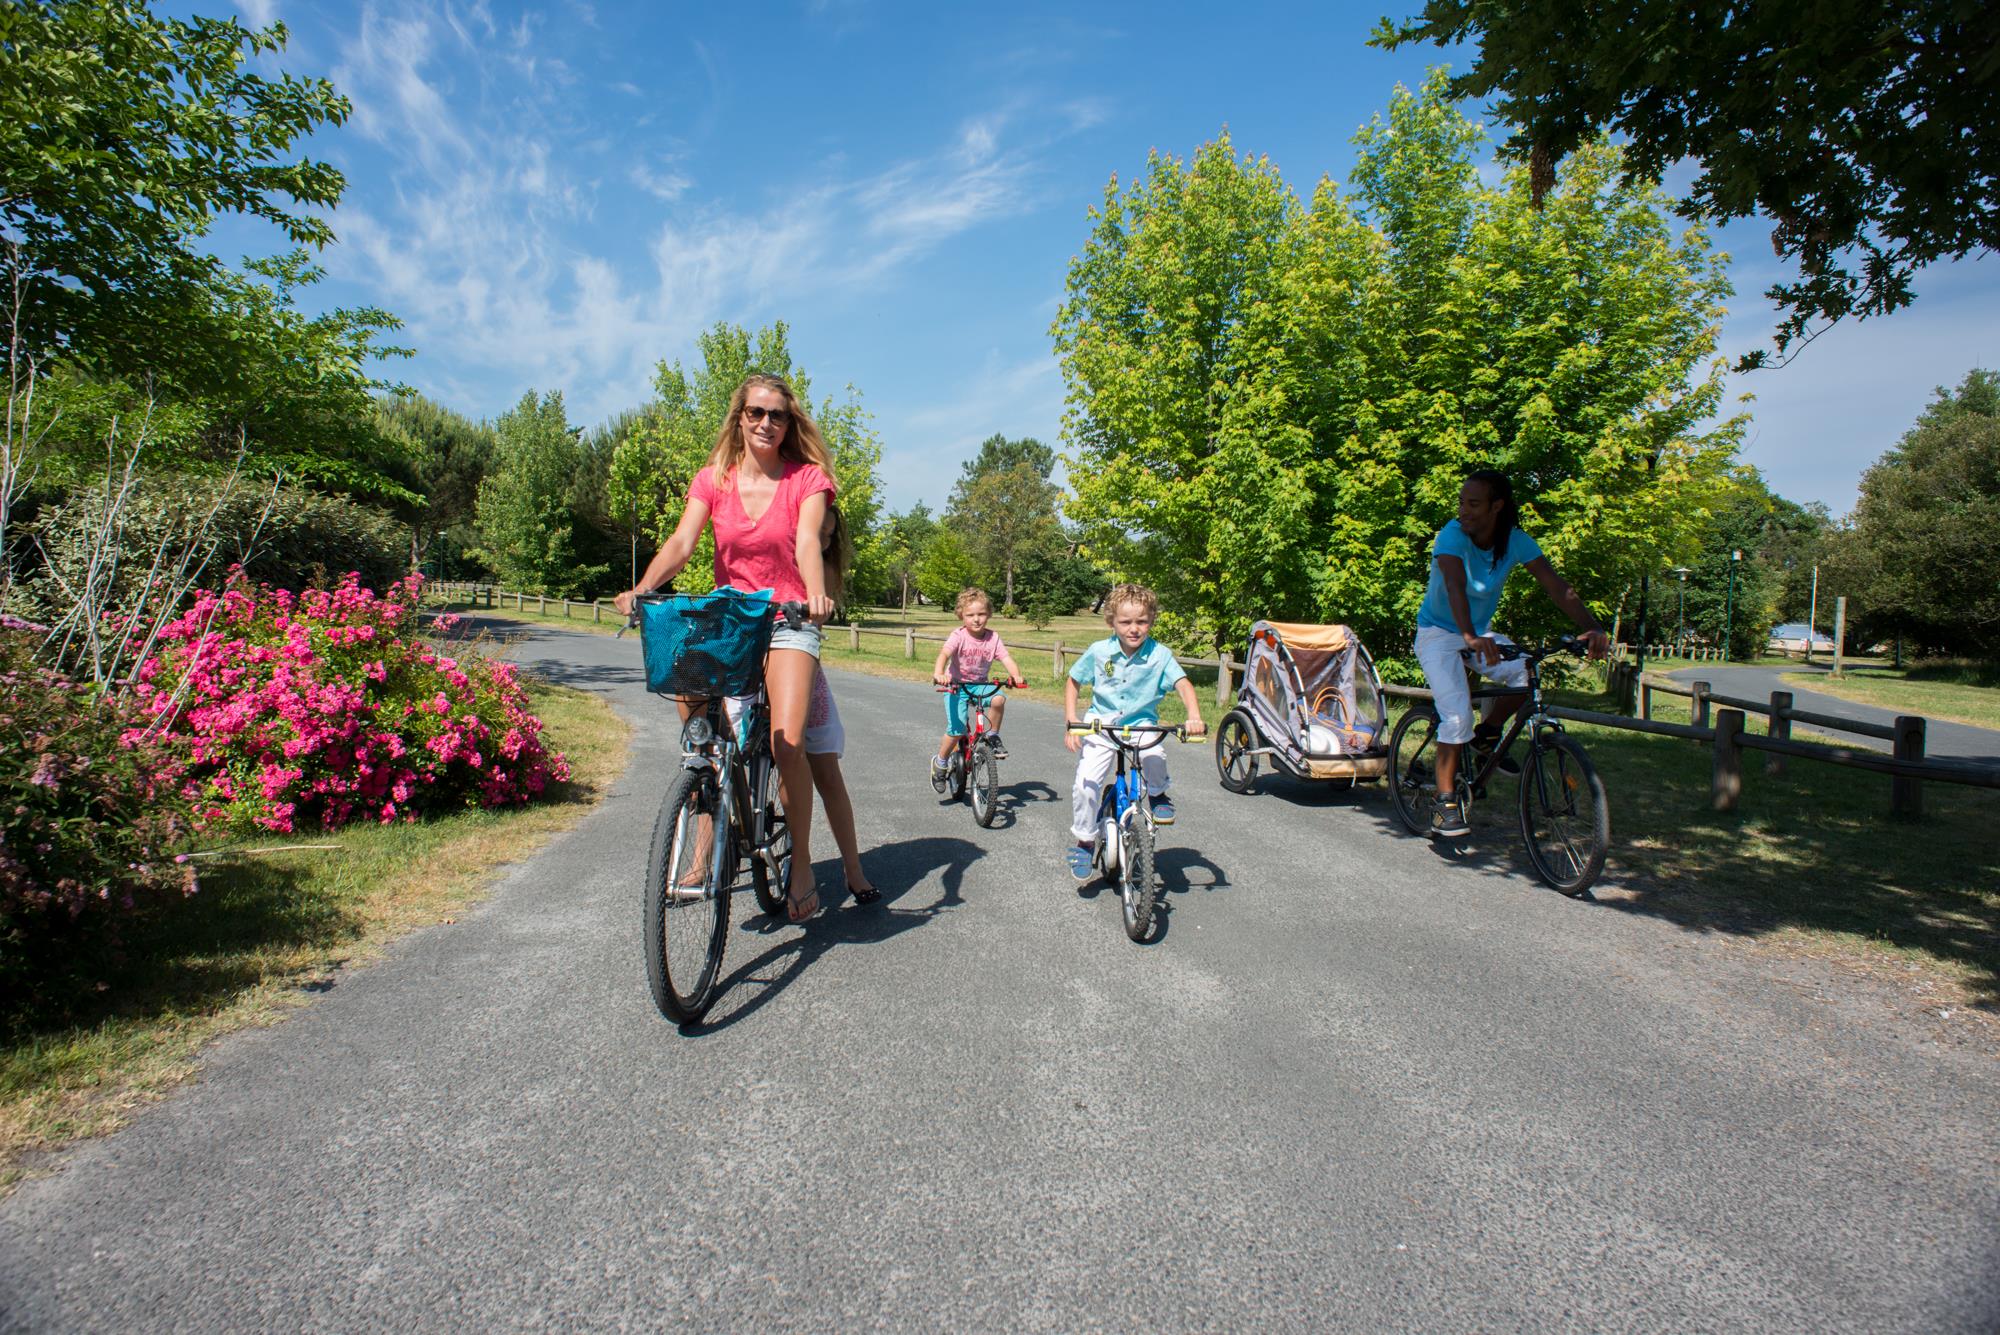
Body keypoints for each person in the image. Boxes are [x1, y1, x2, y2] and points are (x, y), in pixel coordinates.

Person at [615, 374, 835, 922]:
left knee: (787, 745)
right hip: (729, 617)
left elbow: (808, 541)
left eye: (777, 415)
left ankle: (802, 862)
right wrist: (644, 589)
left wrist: (814, 595)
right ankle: (702, 846)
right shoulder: (714, 479)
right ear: (740, 416)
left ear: (790, 424)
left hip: (787, 616)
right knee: (703, 739)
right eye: (756, 412)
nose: (766, 423)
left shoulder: (808, 479)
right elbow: (682, 542)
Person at [1416, 468, 1609, 839]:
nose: (1463, 510)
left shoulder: (1515, 541)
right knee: (1456, 717)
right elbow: (1456, 586)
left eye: (1473, 504)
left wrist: (1593, 627)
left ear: (1497, 506)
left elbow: (1557, 587)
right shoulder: (1451, 535)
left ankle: (1487, 733)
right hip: (1439, 633)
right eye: (1461, 502)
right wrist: (1469, 636)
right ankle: (1444, 803)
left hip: (1479, 633)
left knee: (1527, 675)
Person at [1061, 583, 1205, 881]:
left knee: (1155, 753)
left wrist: (1194, 716)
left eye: (1141, 621)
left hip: (1141, 724)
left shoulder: (1161, 655)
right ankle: (1085, 841)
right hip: (1101, 724)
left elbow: (1183, 684)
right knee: (1085, 784)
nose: (1134, 629)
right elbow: (1074, 680)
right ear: (1112, 621)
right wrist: (1072, 720)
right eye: (1125, 622)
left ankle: (1158, 793)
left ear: (1151, 620)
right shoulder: (1100, 651)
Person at [804, 506, 879, 905]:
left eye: (831, 536)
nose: (825, 542)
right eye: (819, 532)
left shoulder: (824, 570)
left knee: (825, 769)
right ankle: (701, 859)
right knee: (716, 755)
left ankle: (853, 869)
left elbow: (813, 620)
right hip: (749, 666)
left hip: (802, 671)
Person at [931, 586, 1025, 786]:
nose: (976, 619)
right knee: (956, 730)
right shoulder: (958, 636)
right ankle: (940, 763)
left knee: (999, 699)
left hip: (980, 685)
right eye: (970, 615)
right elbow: (944, 654)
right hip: (956, 686)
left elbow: (1006, 658)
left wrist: (1016, 675)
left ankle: (992, 735)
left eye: (981, 614)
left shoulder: (993, 638)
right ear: (961, 616)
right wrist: (939, 674)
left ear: (989, 614)